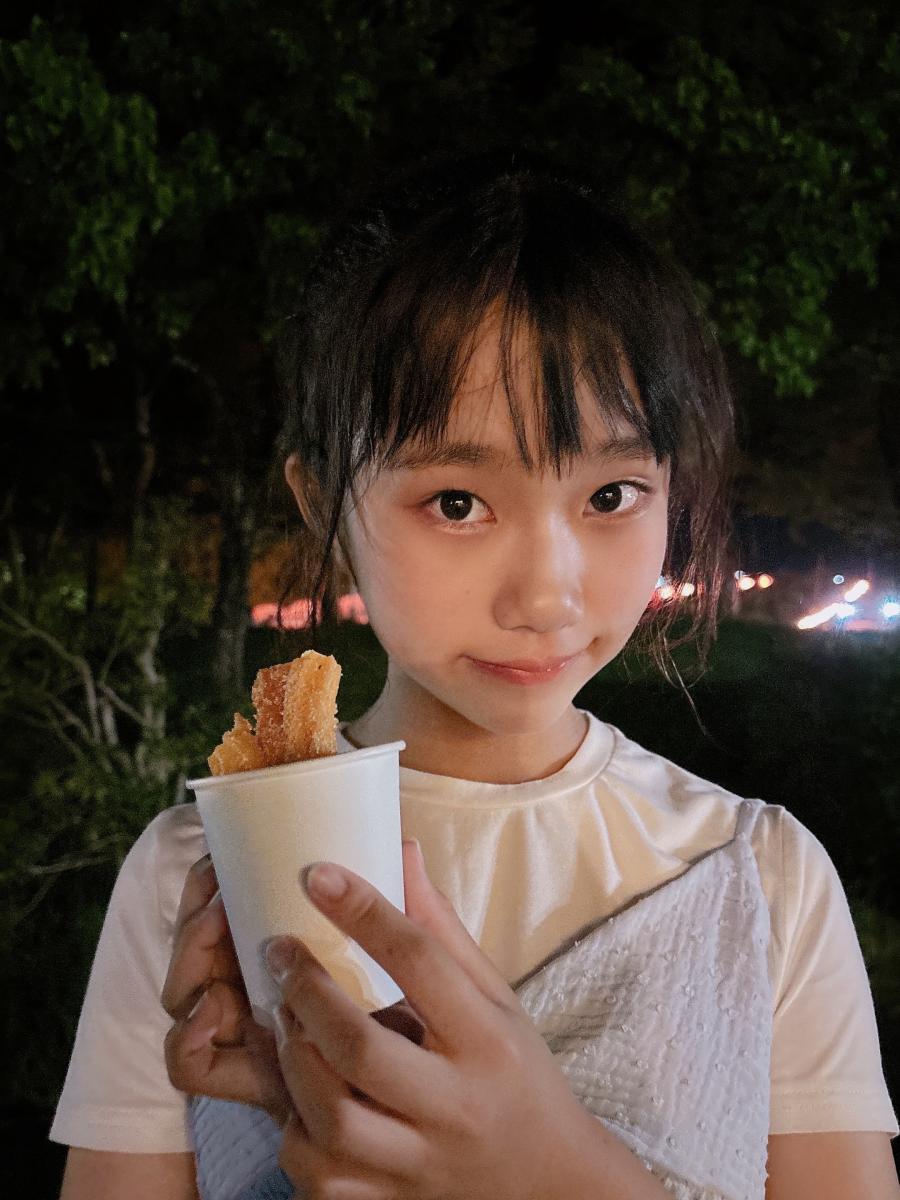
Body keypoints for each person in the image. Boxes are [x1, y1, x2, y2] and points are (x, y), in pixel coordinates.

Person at [50, 148, 900, 1200]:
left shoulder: (760, 882)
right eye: (457, 502)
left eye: (612, 495)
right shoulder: (205, 881)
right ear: (323, 506)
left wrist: (557, 1177)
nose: (546, 595)